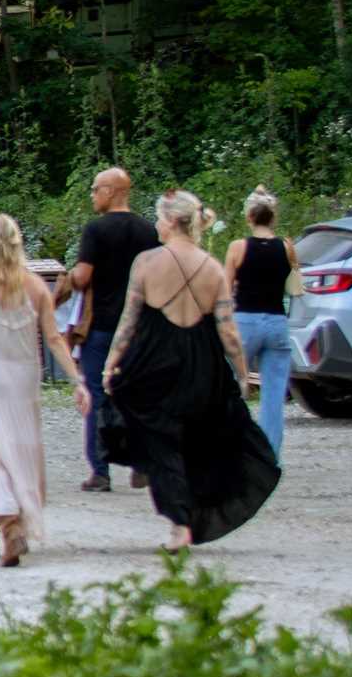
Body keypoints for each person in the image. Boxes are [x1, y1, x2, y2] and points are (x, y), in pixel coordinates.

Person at [102, 189, 282, 548]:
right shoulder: (213, 268)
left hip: (153, 360)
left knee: (157, 435)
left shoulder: (147, 263)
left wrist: (111, 365)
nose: (155, 223)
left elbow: (129, 321)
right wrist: (242, 372)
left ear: (170, 221)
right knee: (198, 438)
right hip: (201, 363)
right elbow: (228, 330)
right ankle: (183, 514)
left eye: (157, 217)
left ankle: (178, 520)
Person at [0, 214, 88, 568]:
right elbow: (54, 338)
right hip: (23, 379)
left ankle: (7, 521)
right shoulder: (37, 286)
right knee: (18, 451)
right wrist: (76, 380)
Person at [65, 167, 159, 493]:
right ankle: (142, 461)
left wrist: (71, 278)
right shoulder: (149, 231)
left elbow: (83, 276)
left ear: (110, 191)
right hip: (137, 326)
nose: (92, 195)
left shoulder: (96, 230)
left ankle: (100, 471)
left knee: (96, 394)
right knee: (135, 393)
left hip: (102, 325)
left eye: (94, 189)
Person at [225, 190, 296, 455]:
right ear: (273, 217)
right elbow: (294, 284)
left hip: (245, 320)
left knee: (232, 385)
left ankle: (233, 446)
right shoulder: (286, 247)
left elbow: (224, 287)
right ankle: (269, 453)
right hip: (277, 320)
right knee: (274, 393)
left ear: (249, 217)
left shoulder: (238, 247)